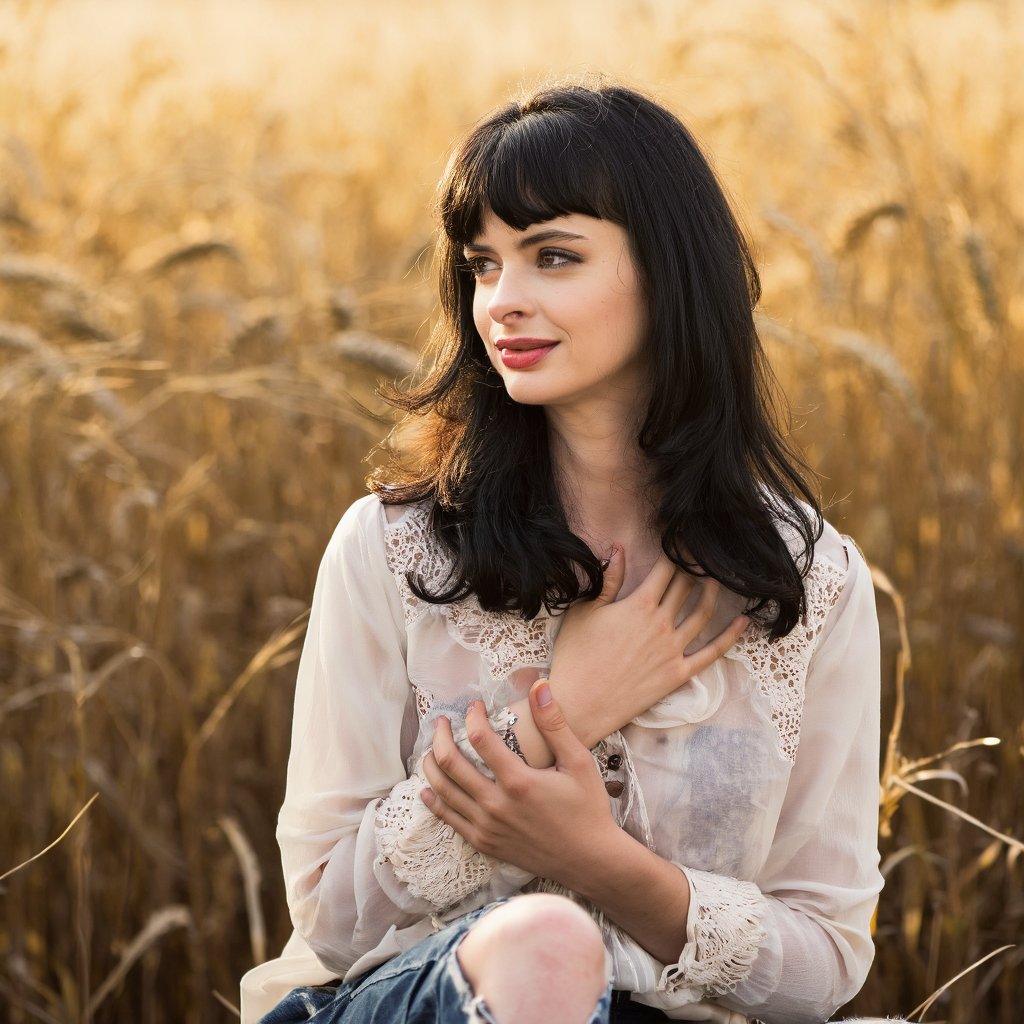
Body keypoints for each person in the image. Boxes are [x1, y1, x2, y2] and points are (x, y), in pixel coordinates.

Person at [240, 81, 883, 1024]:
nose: (502, 300)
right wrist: (560, 711)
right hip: (414, 1008)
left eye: (553, 257)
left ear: (670, 271)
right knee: (545, 943)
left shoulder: (812, 580)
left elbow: (825, 964)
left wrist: (602, 864)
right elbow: (332, 920)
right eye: (482, 264)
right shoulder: (392, 549)